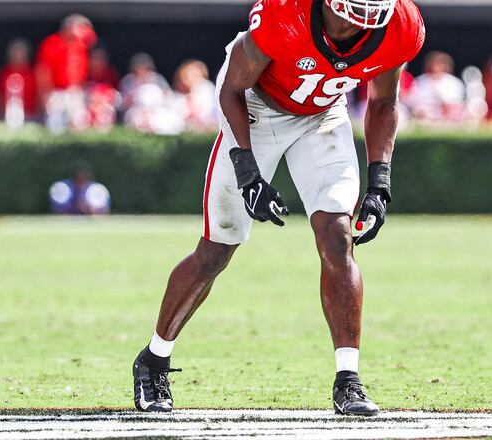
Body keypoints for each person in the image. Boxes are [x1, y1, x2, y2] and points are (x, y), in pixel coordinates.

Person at [131, 0, 425, 416]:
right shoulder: (286, 13)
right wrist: (249, 174)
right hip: (255, 108)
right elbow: (230, 88)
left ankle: (348, 380)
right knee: (216, 250)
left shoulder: (401, 25)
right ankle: (153, 359)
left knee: (338, 239)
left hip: (323, 114)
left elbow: (382, 101)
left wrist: (380, 182)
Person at [35, 14, 97, 133]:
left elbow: (91, 37)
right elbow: (43, 71)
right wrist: (45, 94)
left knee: (79, 126)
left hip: (75, 91)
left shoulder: (80, 45)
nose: (83, 31)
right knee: (55, 128)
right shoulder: (52, 43)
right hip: (55, 92)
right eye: (80, 27)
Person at [405, 51, 466, 123]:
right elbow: (412, 101)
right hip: (426, 113)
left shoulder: (454, 82)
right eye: (434, 63)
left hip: (448, 113)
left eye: (440, 64)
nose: (436, 67)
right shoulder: (420, 81)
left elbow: (458, 102)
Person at [0, 39, 38, 122]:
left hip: (29, 115)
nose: (18, 55)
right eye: (15, 52)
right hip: (6, 115)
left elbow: (38, 96)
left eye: (21, 52)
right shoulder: (3, 73)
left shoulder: (33, 73)